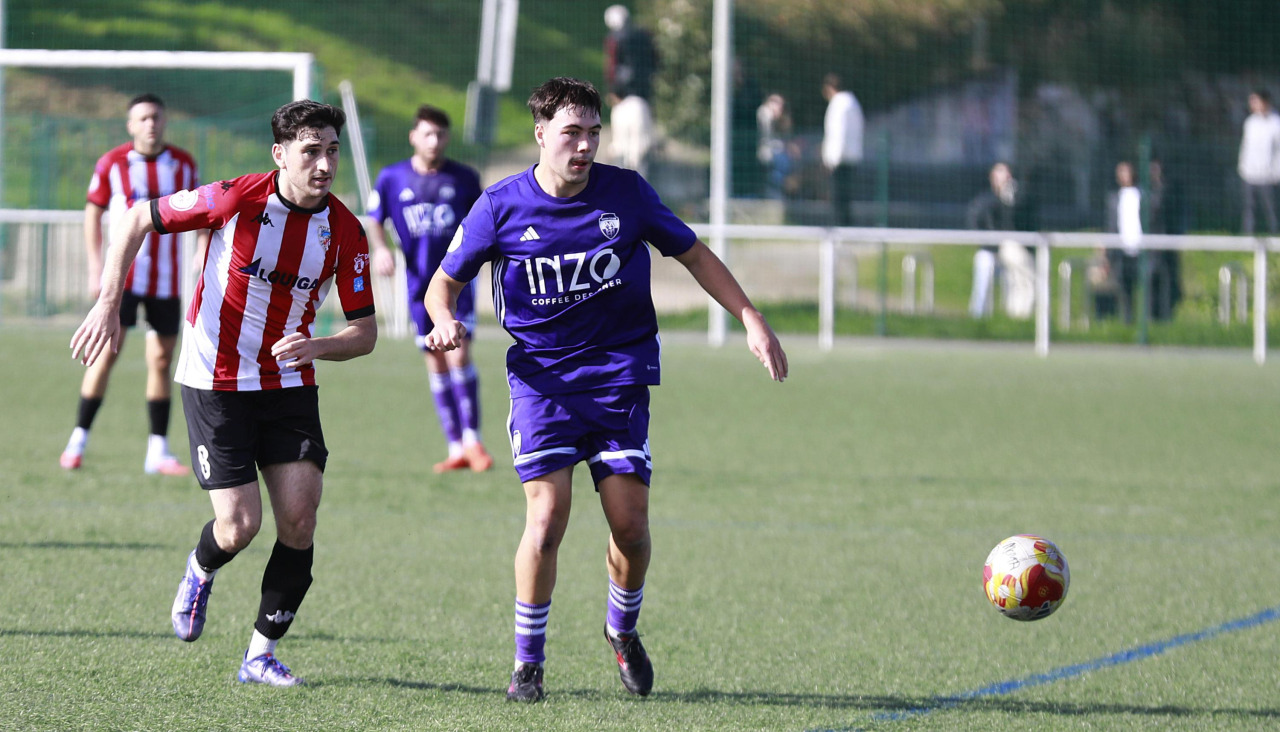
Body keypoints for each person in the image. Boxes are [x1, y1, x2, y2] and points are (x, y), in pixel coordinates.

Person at [422, 77, 787, 703]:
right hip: (543, 384)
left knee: (631, 526)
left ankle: (621, 629)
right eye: (572, 133)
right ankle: (528, 665)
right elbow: (442, 283)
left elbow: (695, 255)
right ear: (541, 134)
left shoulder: (627, 193)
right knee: (546, 522)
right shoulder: (499, 206)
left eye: (594, 132)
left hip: (618, 376)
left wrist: (750, 317)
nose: (586, 145)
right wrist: (444, 319)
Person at [70, 100, 377, 687]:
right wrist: (109, 303)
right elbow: (133, 219)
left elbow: (364, 333)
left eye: (332, 150)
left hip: (288, 384)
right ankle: (200, 567)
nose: (324, 164)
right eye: (311, 151)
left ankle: (260, 655)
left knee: (300, 521)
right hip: (216, 379)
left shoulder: (345, 231)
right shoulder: (235, 199)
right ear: (280, 154)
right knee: (239, 526)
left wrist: (318, 346)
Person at [59, 94, 210, 475]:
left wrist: (202, 249)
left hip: (167, 280)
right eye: (142, 118)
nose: (150, 124)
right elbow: (93, 213)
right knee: (105, 355)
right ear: (130, 125)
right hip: (121, 280)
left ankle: (157, 452)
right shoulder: (112, 163)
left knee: (161, 360)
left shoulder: (183, 164)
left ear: (165, 121)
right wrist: (96, 266)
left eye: (156, 117)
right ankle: (77, 441)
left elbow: (204, 212)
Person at [368, 105, 493, 473]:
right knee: (436, 361)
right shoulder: (392, 177)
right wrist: (381, 249)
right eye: (427, 134)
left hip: (457, 284)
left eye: (440, 134)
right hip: (418, 286)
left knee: (459, 355)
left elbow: (485, 222)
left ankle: (473, 440)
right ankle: (455, 447)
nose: (434, 141)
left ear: (447, 138)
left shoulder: (465, 178)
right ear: (413, 137)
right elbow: (375, 219)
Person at [965, 162, 1032, 318]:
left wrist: (1011, 201)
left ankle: (1013, 316)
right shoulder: (984, 201)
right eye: (1001, 172)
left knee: (1017, 277)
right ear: (992, 176)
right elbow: (975, 223)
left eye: (1008, 173)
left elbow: (1018, 223)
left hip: (1010, 250)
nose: (1006, 176)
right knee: (984, 265)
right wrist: (991, 245)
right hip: (989, 250)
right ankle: (978, 315)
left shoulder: (1016, 199)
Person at [1097, 160, 1144, 322]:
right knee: (1124, 288)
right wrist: (1106, 252)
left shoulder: (1144, 195)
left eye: (1127, 171)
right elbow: (1110, 225)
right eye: (1121, 172)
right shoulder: (1113, 198)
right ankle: (1127, 321)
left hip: (1142, 249)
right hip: (1121, 250)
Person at [821, 73, 864, 227]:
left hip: (839, 159)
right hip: (851, 156)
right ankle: (846, 227)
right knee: (845, 198)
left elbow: (838, 132)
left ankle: (839, 228)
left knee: (837, 198)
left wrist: (833, 158)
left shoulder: (839, 104)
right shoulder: (853, 102)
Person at [1237, 89, 1280, 235]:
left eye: (1255, 101)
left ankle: (1275, 238)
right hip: (1249, 174)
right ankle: (1247, 239)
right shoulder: (1250, 122)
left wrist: (1276, 173)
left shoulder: (1276, 123)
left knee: (1272, 210)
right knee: (1249, 208)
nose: (1252, 104)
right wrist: (1242, 166)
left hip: (1269, 176)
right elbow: (1245, 146)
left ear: (1265, 101)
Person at [603, 5, 656, 103]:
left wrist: (613, 89)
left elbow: (612, 64)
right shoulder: (644, 35)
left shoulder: (614, 39)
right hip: (645, 83)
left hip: (623, 88)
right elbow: (654, 57)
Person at [757, 92, 794, 200]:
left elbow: (785, 135)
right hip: (768, 154)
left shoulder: (781, 118)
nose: (780, 107)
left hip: (779, 152)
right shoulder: (763, 113)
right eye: (776, 103)